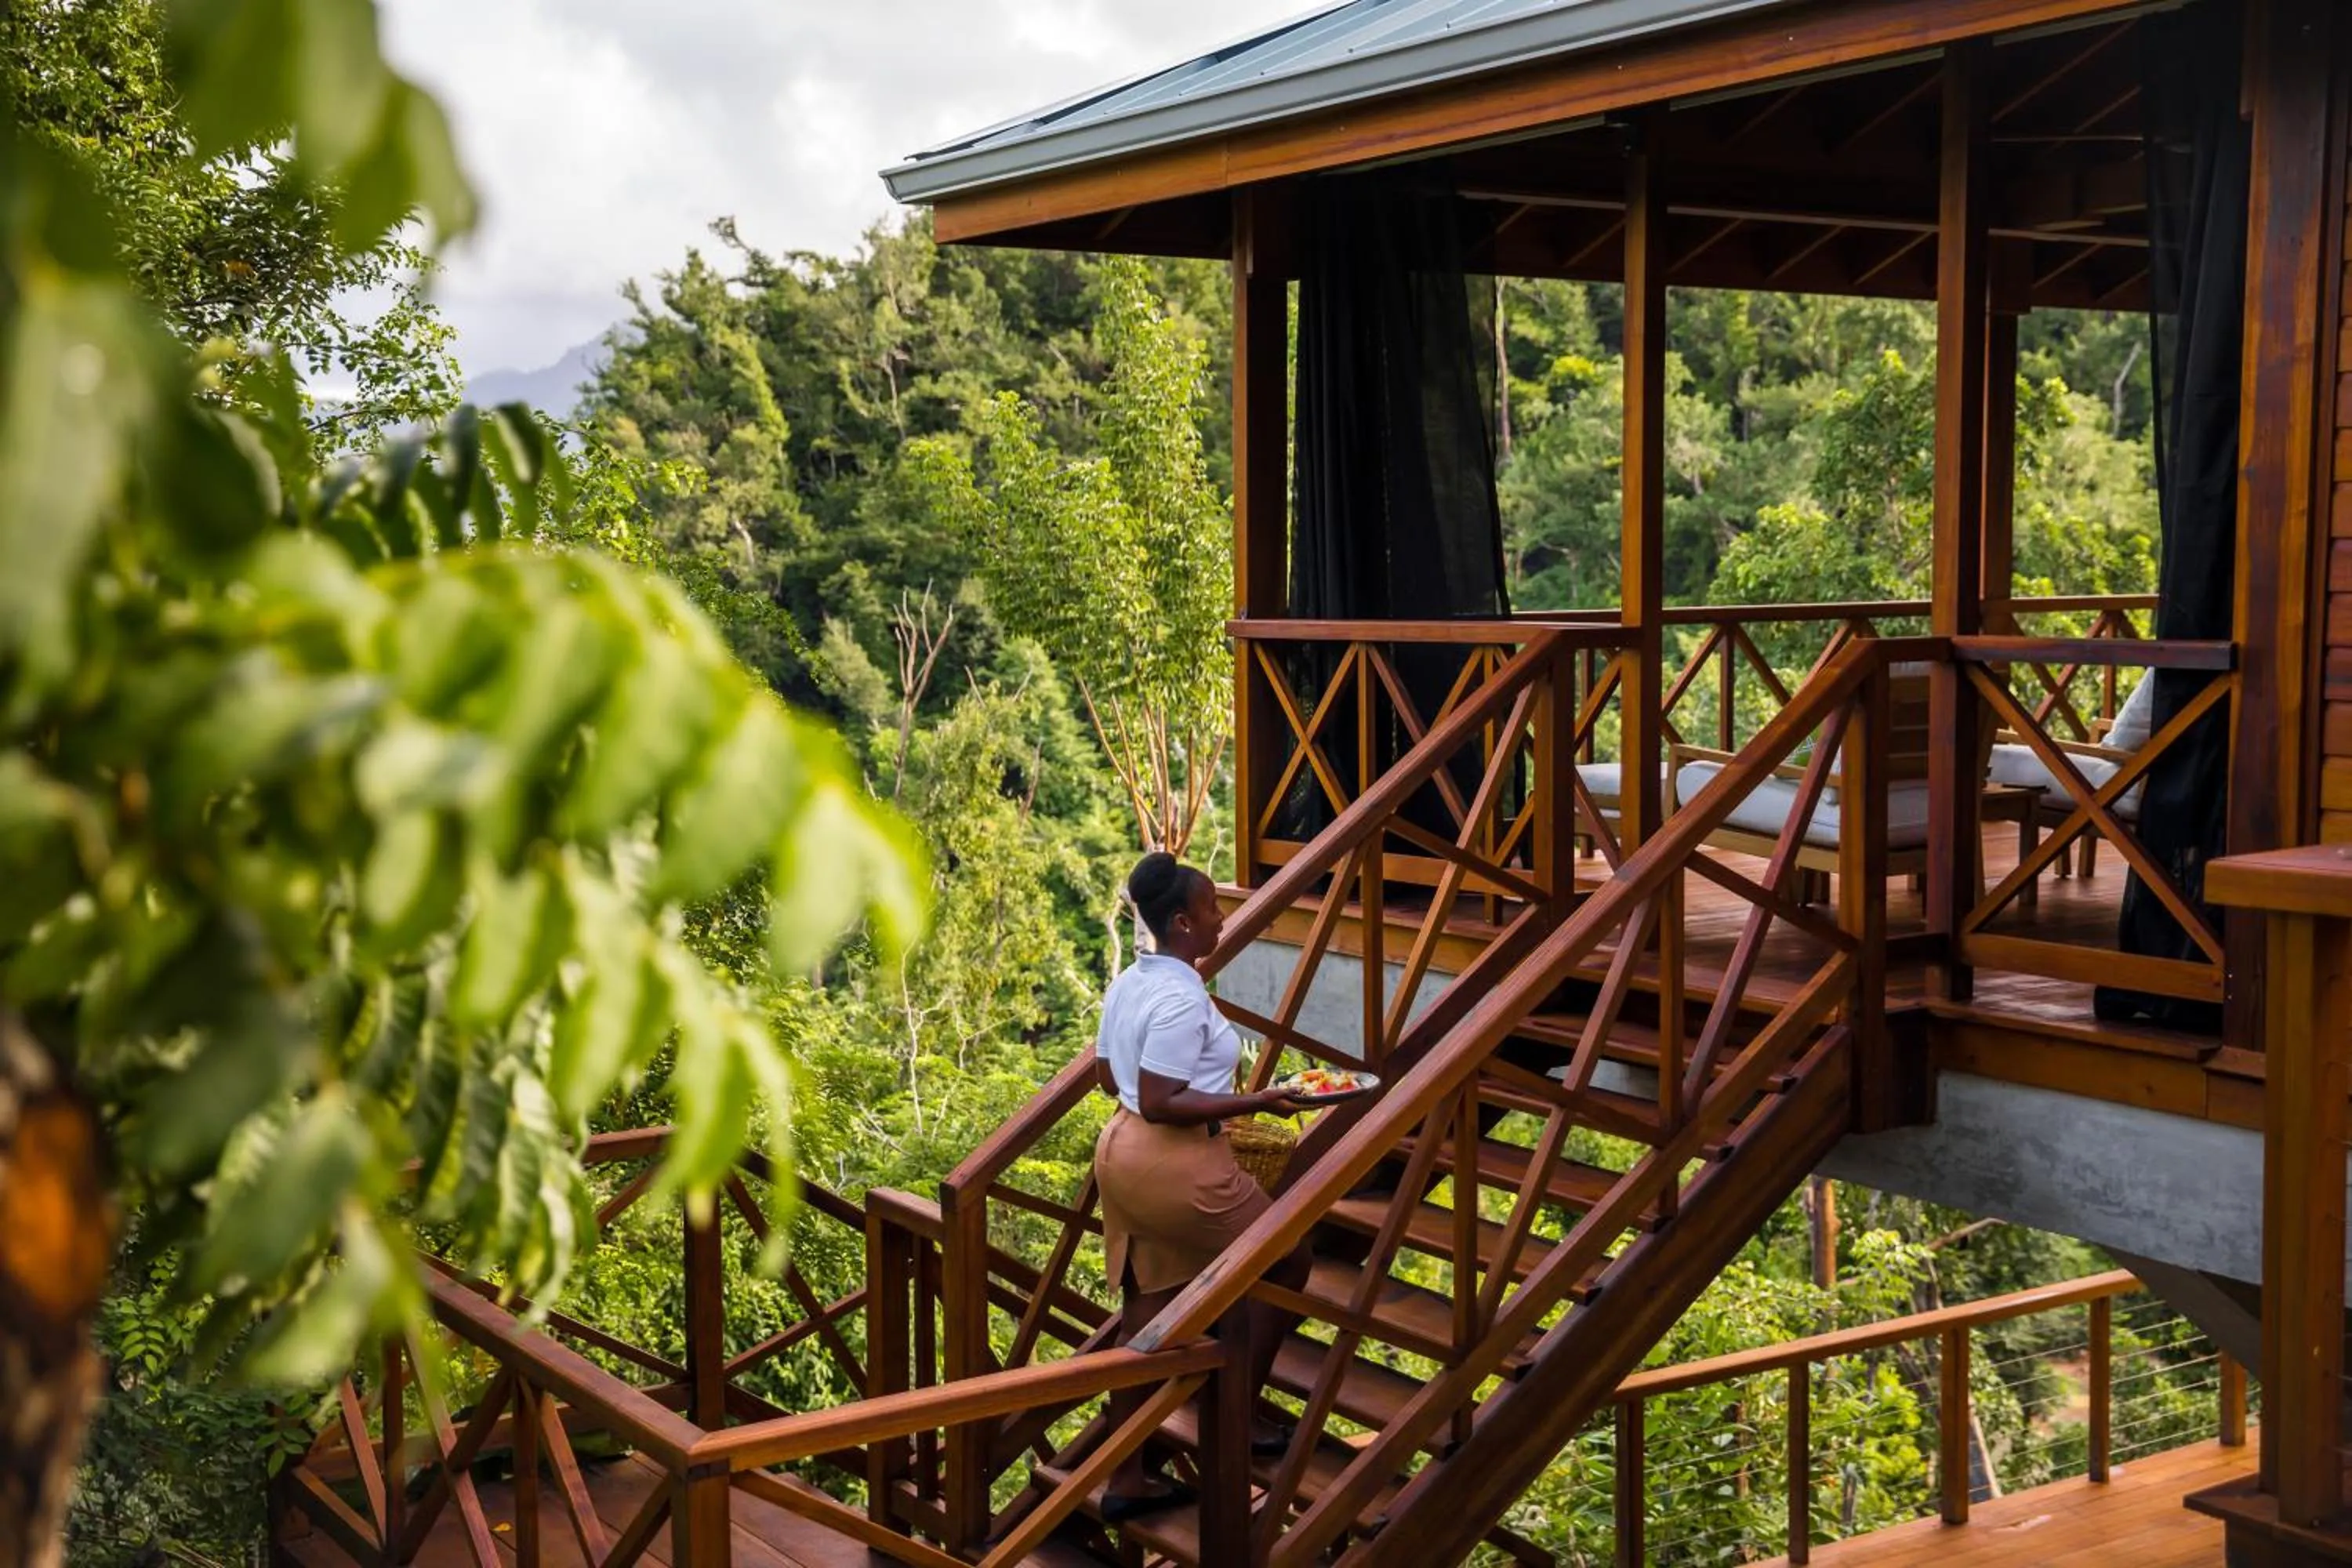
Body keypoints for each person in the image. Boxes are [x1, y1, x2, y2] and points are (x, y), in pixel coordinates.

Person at [1092, 851, 1315, 1521]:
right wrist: (1260, 1101)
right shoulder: (1182, 997)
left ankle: (1127, 1477)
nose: (1223, 917)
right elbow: (1164, 1100)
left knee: (1147, 1315)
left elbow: (1109, 1078)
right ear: (1184, 923)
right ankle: (1237, 1418)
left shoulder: (1131, 982)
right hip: (1178, 1160)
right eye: (1213, 907)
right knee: (1286, 1258)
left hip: (1122, 1151)